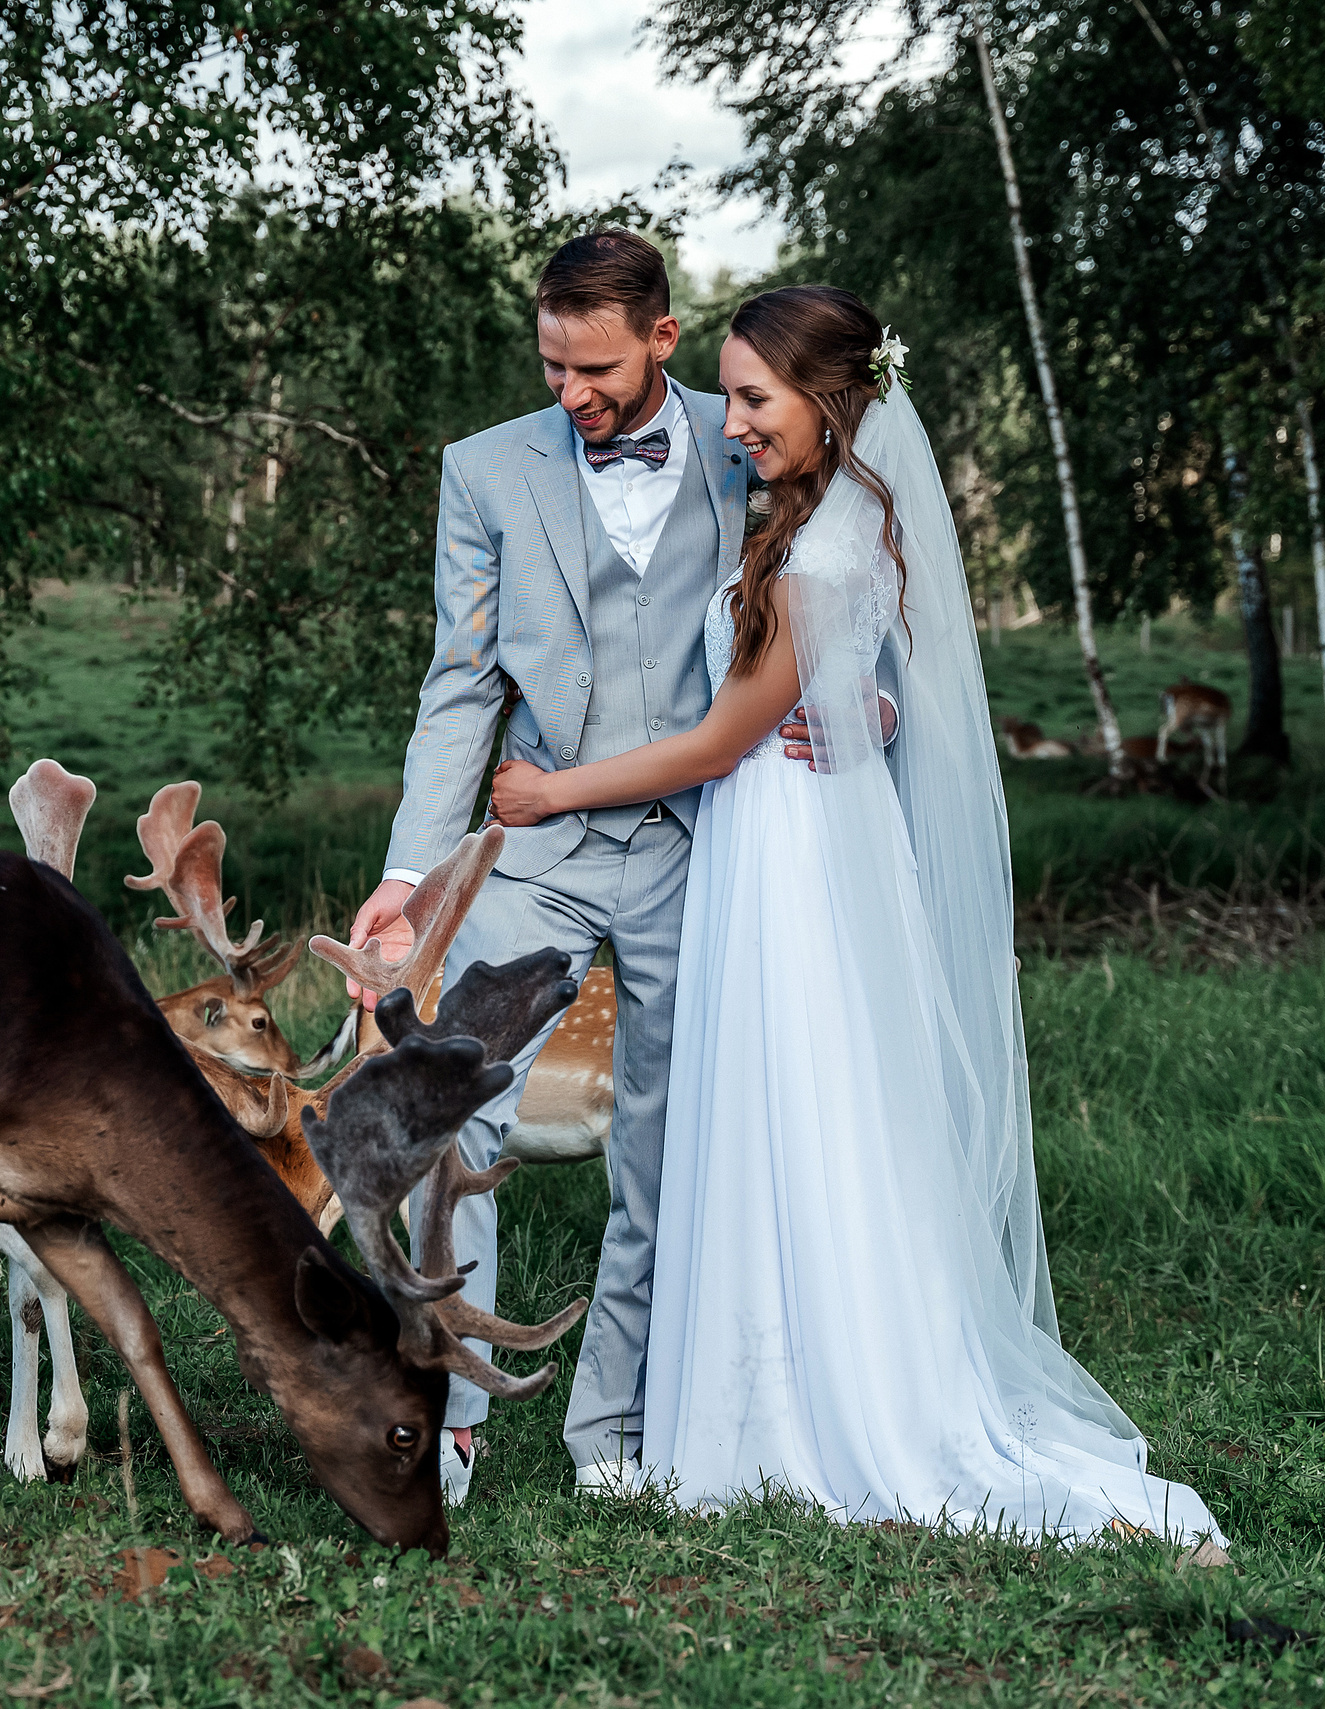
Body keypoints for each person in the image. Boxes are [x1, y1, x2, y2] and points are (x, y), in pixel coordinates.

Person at [487, 284, 1226, 1551]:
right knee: (820, 1106)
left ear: (830, 406)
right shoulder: (842, 520)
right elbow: (884, 689)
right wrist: (864, 708)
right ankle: (779, 1374)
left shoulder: (818, 547)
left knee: (789, 1100)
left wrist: (555, 787)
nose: (733, 425)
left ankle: (799, 1401)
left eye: (757, 401)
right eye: (729, 399)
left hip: (783, 845)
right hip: (818, 828)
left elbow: (719, 739)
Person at [346, 232, 889, 1505]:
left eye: (594, 367)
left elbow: (851, 577)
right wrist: (411, 869)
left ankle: (621, 1430)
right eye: (550, 365)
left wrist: (868, 703)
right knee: (444, 1102)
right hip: (536, 845)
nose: (570, 392)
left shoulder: (751, 424)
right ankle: (451, 1408)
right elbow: (457, 683)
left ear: (660, 337)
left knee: (666, 1141)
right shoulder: (482, 472)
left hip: (710, 841)